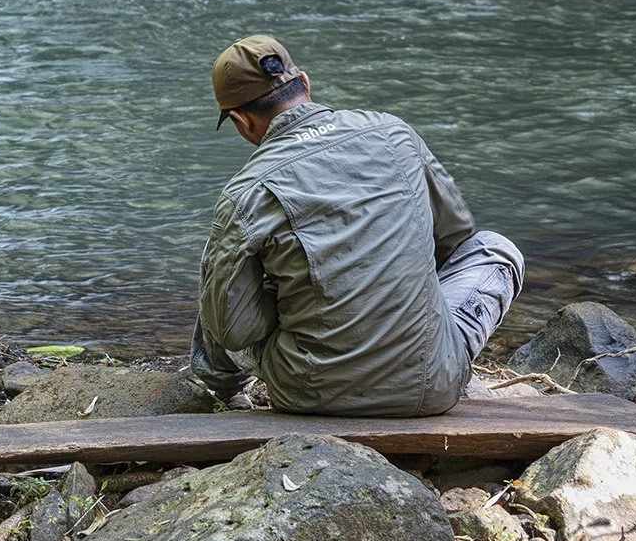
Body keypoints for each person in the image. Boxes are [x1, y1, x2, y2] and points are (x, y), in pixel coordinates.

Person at [191, 34, 523, 416]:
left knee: (227, 262)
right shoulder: (395, 133)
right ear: (306, 84)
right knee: (496, 248)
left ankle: (225, 390)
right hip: (433, 385)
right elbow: (456, 238)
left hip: (308, 393)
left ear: (241, 121)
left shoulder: (245, 192)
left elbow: (234, 331)